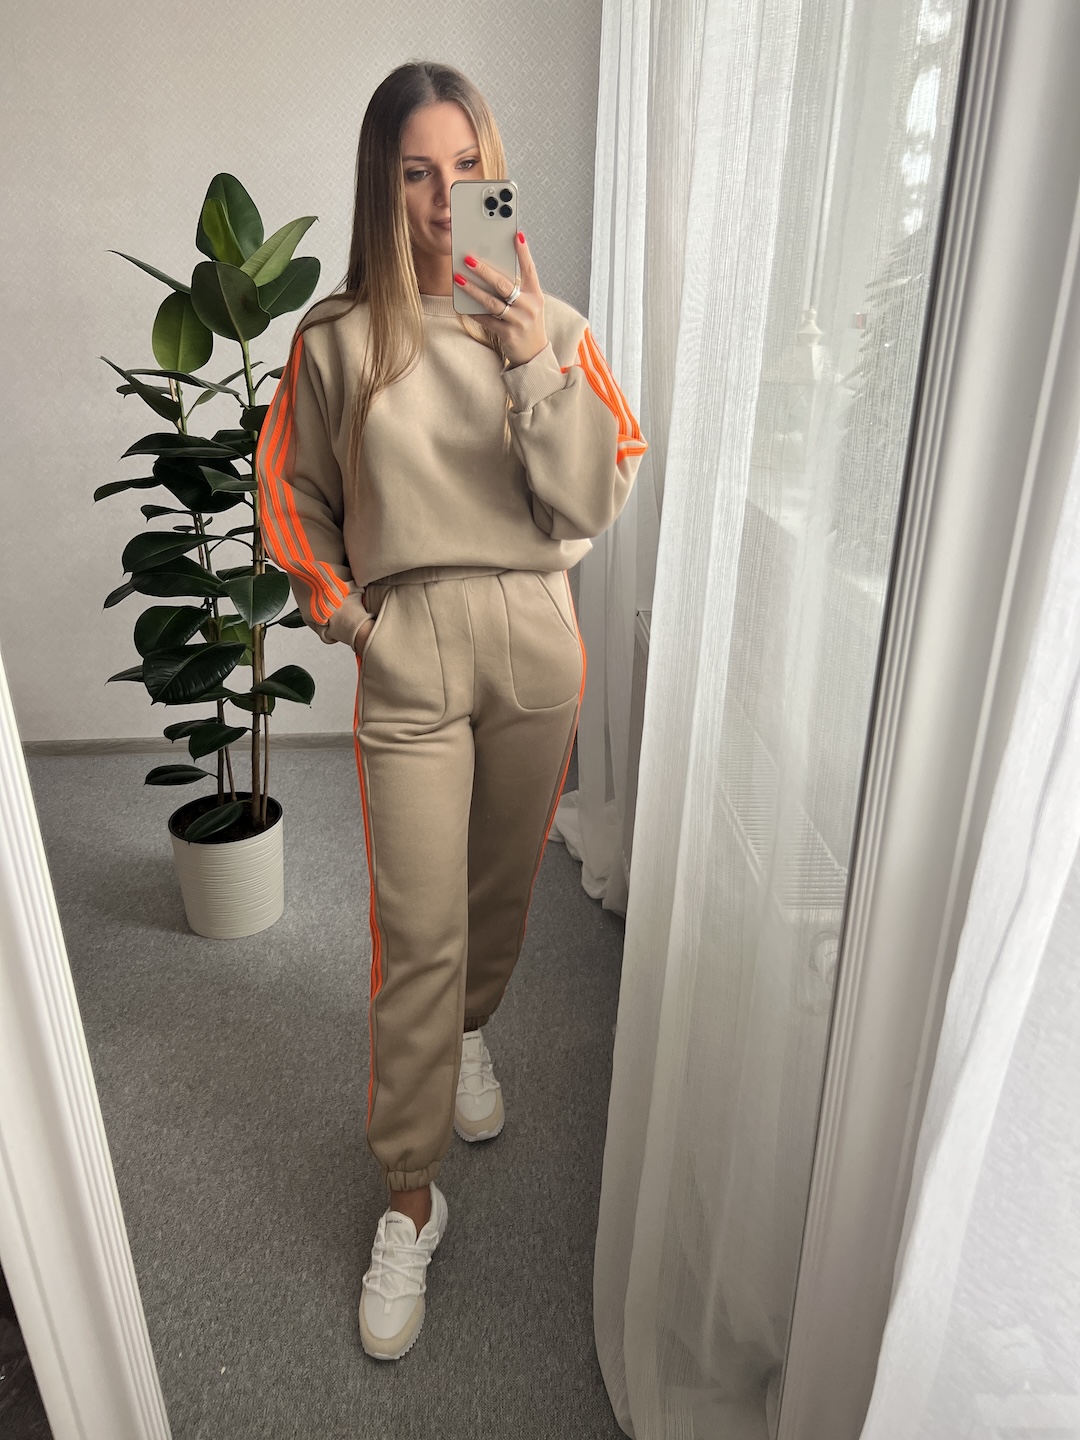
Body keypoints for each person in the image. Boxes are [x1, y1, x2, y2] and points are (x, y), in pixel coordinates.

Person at [255, 59, 647, 1361]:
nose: (442, 199)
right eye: (416, 172)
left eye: (464, 169)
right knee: (415, 928)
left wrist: (532, 365)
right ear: (382, 182)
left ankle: (472, 1032)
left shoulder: (553, 323)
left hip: (534, 639)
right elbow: (290, 495)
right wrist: (350, 618)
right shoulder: (334, 340)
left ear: (493, 172)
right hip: (409, 644)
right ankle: (409, 1197)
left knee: (497, 897)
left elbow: (596, 491)